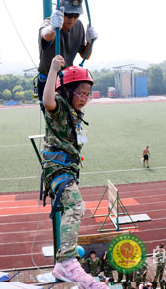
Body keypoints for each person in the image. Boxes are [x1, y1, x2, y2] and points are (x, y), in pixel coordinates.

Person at [43, 55, 105, 289]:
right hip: (57, 169)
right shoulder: (60, 107)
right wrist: (53, 69)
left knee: (75, 206)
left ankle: (70, 266)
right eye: (81, 93)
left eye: (88, 95)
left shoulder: (75, 113)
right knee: (76, 206)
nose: (85, 99)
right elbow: (48, 100)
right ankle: (66, 261)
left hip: (67, 169)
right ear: (67, 91)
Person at [36, 0, 98, 113]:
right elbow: (45, 34)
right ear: (58, 10)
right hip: (48, 81)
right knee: (54, 118)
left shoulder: (78, 26)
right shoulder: (49, 23)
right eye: (68, 15)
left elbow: (85, 55)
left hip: (68, 81)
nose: (72, 19)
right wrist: (54, 28)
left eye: (76, 15)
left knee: (72, 117)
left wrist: (90, 42)